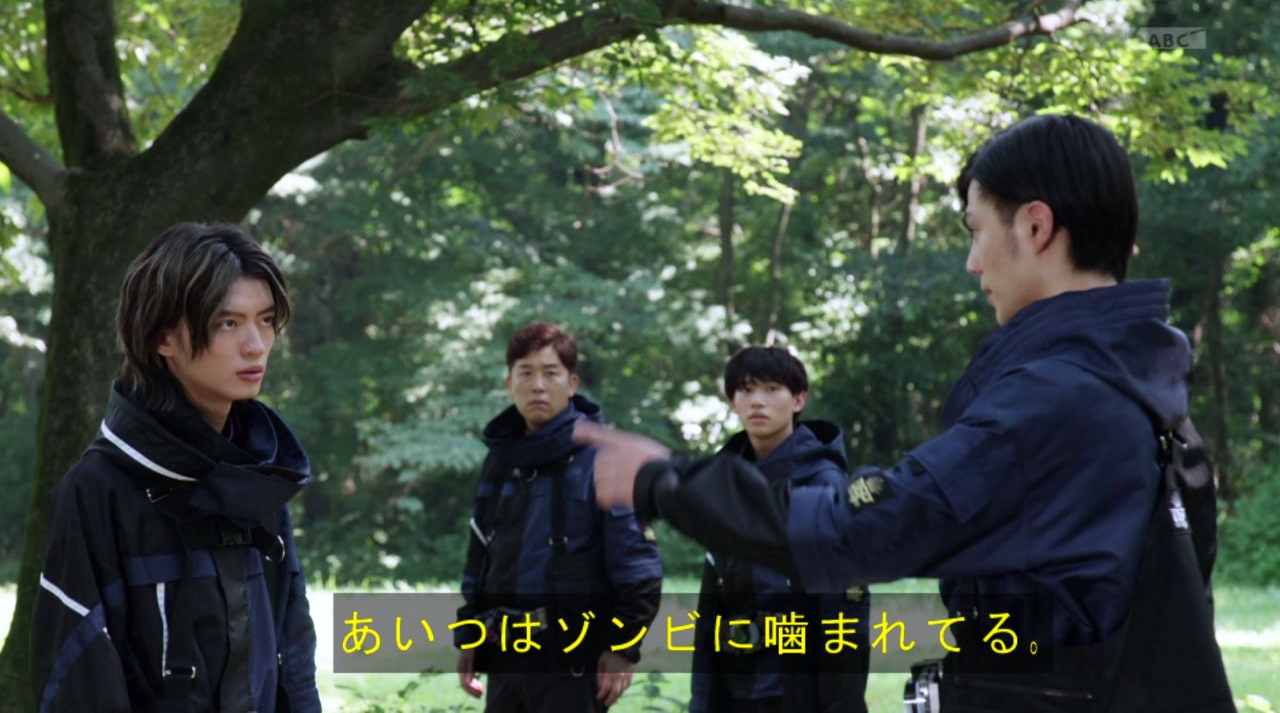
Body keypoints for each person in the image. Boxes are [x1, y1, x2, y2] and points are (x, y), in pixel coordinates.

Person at [578, 115, 1234, 712]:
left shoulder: (1058, 400)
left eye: (976, 231)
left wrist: (666, 481)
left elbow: (861, 529)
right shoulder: (1145, 394)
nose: (972, 263)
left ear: (1035, 226)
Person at [31, 223, 321, 712]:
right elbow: (78, 683)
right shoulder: (98, 490)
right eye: (228, 323)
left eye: (267, 320)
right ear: (163, 337)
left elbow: (293, 659)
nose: (256, 345)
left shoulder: (260, 475)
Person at [455, 322, 662, 712]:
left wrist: (622, 647)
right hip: (507, 655)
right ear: (509, 383)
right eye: (526, 373)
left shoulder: (602, 459)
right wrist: (470, 633)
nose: (537, 386)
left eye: (551, 373)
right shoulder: (501, 461)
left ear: (572, 384)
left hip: (573, 661)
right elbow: (480, 556)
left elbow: (640, 572)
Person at [691, 346, 869, 713]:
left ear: (799, 399)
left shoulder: (822, 483)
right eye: (746, 390)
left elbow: (844, 613)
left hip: (798, 686)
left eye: (772, 389)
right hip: (737, 683)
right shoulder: (724, 486)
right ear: (732, 402)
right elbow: (710, 608)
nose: (758, 401)